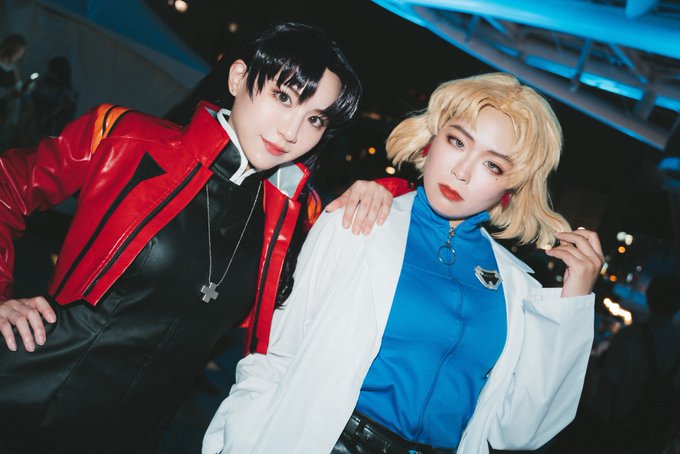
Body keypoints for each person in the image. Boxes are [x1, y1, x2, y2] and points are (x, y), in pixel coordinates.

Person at [0, 22, 395, 452]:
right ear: (238, 78)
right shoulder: (126, 137)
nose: (291, 132)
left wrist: (386, 191)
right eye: (283, 97)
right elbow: (8, 185)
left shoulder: (294, 217)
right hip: (29, 393)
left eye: (315, 119)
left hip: (137, 434)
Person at [204, 73, 604, 454]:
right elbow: (276, 356)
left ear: (511, 188)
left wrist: (571, 307)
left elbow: (519, 433)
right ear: (432, 140)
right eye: (457, 141)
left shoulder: (518, 290)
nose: (461, 171)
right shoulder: (357, 222)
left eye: (492, 165)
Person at [573, 274, 680, 453]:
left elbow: (609, 379)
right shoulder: (676, 344)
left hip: (615, 423)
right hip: (652, 432)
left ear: (649, 297)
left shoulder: (632, 336)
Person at [21, 56, 78, 144]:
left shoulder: (67, 92)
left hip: (51, 129)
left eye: (53, 71)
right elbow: (28, 96)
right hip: (33, 124)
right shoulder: (42, 83)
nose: (50, 73)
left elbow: (66, 114)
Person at [0, 33, 27, 148]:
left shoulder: (14, 67)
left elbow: (18, 86)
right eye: (20, 52)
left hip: (7, 108)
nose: (21, 55)